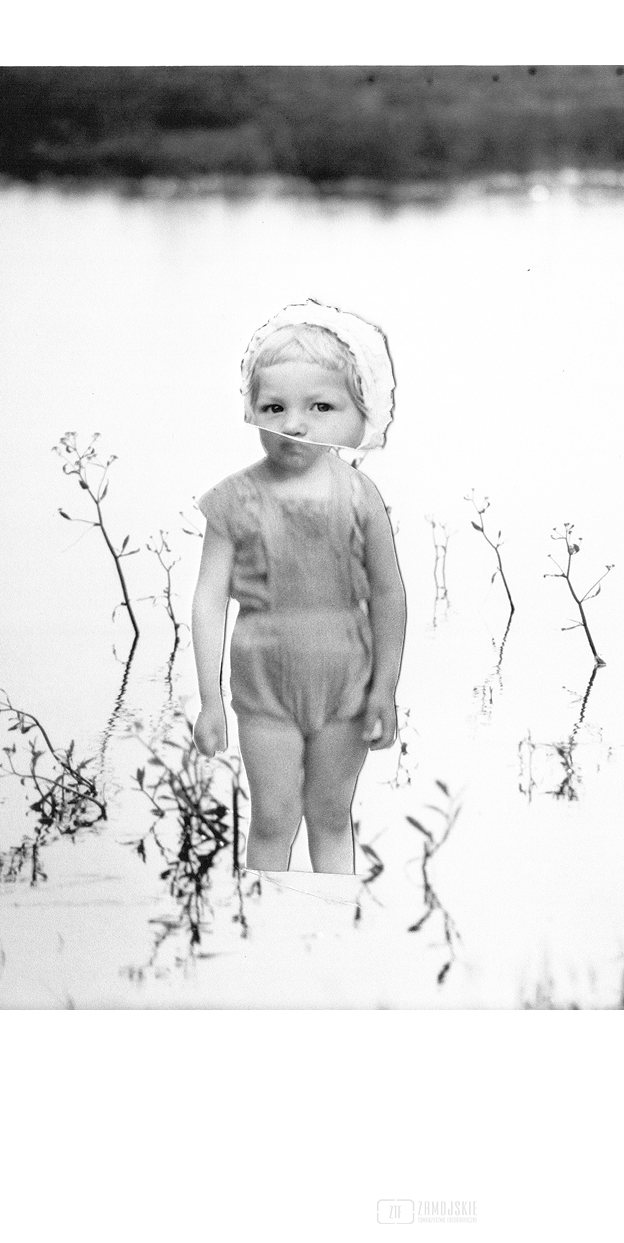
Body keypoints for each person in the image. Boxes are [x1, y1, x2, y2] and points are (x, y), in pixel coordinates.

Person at [191, 301, 406, 874]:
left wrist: (384, 688)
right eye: (274, 407)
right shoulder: (232, 499)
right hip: (264, 685)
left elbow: (388, 594)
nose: (293, 424)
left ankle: (333, 923)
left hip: (346, 680)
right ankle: (265, 925)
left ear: (355, 412)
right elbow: (208, 602)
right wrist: (210, 701)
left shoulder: (360, 495)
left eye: (320, 407)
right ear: (252, 408)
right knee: (272, 819)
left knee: (332, 817)